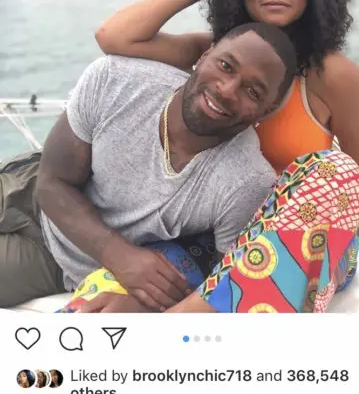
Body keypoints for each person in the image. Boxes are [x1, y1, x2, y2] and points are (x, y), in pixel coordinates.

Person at [95, 0, 359, 249]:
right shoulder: (214, 56)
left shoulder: (334, 77)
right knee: (124, 277)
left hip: (291, 248)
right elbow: (114, 37)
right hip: (206, 238)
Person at [0, 22, 297, 310]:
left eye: (253, 92)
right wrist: (119, 256)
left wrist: (143, 304)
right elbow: (52, 182)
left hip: (58, 256)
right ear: (205, 55)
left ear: (266, 111)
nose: (227, 90)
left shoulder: (246, 182)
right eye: (225, 66)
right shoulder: (115, 79)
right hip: (26, 184)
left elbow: (222, 289)